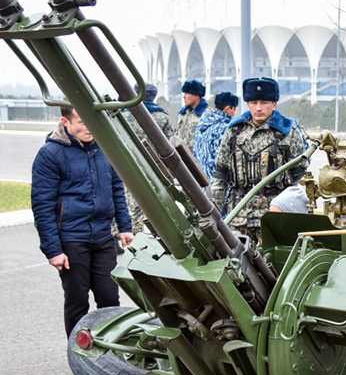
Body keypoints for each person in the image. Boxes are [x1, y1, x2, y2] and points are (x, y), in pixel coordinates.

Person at [31, 106, 133, 337]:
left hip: (103, 237)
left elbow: (116, 188)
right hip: (72, 239)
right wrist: (53, 250)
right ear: (65, 121)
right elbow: (42, 206)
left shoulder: (105, 149)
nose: (89, 128)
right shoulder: (50, 154)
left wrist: (125, 227)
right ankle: (77, 351)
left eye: (90, 121)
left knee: (110, 298)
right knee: (77, 301)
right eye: (81, 122)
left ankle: (111, 351)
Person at [210, 77, 307, 241]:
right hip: (239, 217)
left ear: (274, 104)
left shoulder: (288, 132)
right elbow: (220, 175)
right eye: (254, 103)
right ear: (248, 104)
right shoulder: (234, 131)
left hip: (274, 217)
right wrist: (214, 213)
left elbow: (300, 177)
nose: (259, 108)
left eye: (264, 103)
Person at [121, 82, 172, 234]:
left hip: (131, 167)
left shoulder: (125, 115)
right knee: (158, 205)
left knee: (134, 204)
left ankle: (136, 236)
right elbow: (168, 146)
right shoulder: (162, 117)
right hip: (155, 168)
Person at [193, 91, 239, 180]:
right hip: (215, 182)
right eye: (234, 110)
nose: (234, 114)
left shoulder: (203, 123)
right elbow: (222, 160)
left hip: (200, 180)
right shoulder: (224, 128)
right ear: (228, 109)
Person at [176, 79, 212, 152]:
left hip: (197, 157)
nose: (184, 96)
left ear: (196, 95)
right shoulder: (183, 114)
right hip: (181, 156)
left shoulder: (207, 114)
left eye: (187, 93)